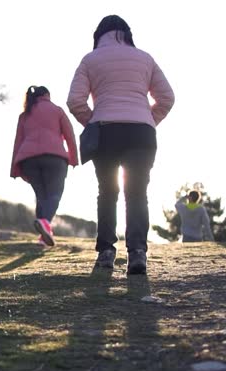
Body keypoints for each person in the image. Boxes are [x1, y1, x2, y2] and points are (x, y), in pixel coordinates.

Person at [67, 15, 175, 274]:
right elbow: (167, 98)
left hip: (106, 132)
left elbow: (75, 101)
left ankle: (106, 252)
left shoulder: (89, 60)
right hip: (142, 134)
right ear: (127, 33)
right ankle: (137, 253)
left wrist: (92, 122)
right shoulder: (145, 58)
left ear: (98, 35)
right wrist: (148, 119)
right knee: (137, 193)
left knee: (107, 192)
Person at [11, 85, 79, 246]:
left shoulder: (25, 115)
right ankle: (45, 223)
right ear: (47, 95)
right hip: (54, 158)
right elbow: (70, 135)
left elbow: (18, 141)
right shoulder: (57, 110)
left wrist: (14, 168)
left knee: (41, 197)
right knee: (55, 194)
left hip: (29, 160)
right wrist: (74, 158)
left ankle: (43, 237)